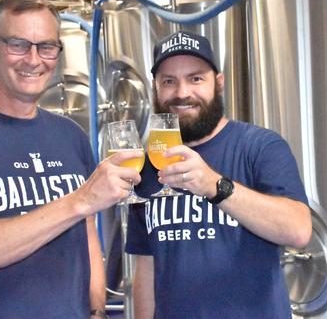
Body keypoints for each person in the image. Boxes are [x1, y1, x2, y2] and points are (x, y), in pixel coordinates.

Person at [0, 0, 142, 319]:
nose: (34, 60)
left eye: (46, 46)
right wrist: (78, 201)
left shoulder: (71, 137)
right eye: (18, 44)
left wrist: (96, 311)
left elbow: (88, 239)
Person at [126, 31, 313, 318]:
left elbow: (298, 230)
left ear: (219, 83)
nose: (182, 92)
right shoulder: (149, 163)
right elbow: (147, 267)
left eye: (196, 78)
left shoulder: (260, 147)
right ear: (155, 88)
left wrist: (215, 185)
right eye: (168, 81)